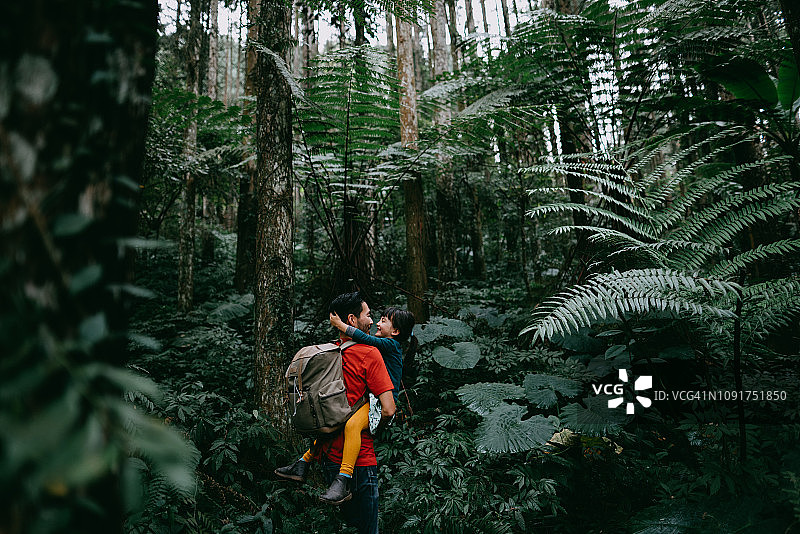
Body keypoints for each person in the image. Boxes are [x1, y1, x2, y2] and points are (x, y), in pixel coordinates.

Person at [275, 292, 396, 534]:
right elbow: (389, 409)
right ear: (352, 320)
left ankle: (303, 463)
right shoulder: (370, 353)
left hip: (329, 458)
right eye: (368, 315)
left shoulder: (331, 354)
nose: (372, 321)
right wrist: (375, 427)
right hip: (360, 462)